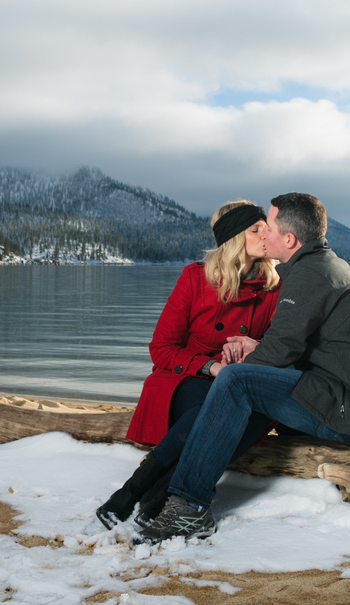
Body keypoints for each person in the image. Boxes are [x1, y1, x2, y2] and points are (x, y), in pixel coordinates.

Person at [134, 192, 350, 544]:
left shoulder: (310, 275)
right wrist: (257, 348)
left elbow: (277, 355)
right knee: (238, 381)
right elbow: (292, 345)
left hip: (349, 411)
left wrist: (240, 363)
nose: (265, 236)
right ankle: (169, 492)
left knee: (235, 381)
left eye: (270, 228)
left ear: (289, 239)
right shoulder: (316, 267)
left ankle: (188, 508)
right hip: (346, 399)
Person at [95, 200, 280, 530]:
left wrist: (252, 353)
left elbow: (280, 347)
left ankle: (149, 495)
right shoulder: (195, 278)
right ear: (234, 238)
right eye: (256, 229)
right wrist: (211, 368)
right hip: (186, 378)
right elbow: (161, 348)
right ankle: (138, 494)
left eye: (266, 227)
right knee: (211, 410)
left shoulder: (274, 288)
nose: (266, 234)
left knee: (244, 410)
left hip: (238, 384)